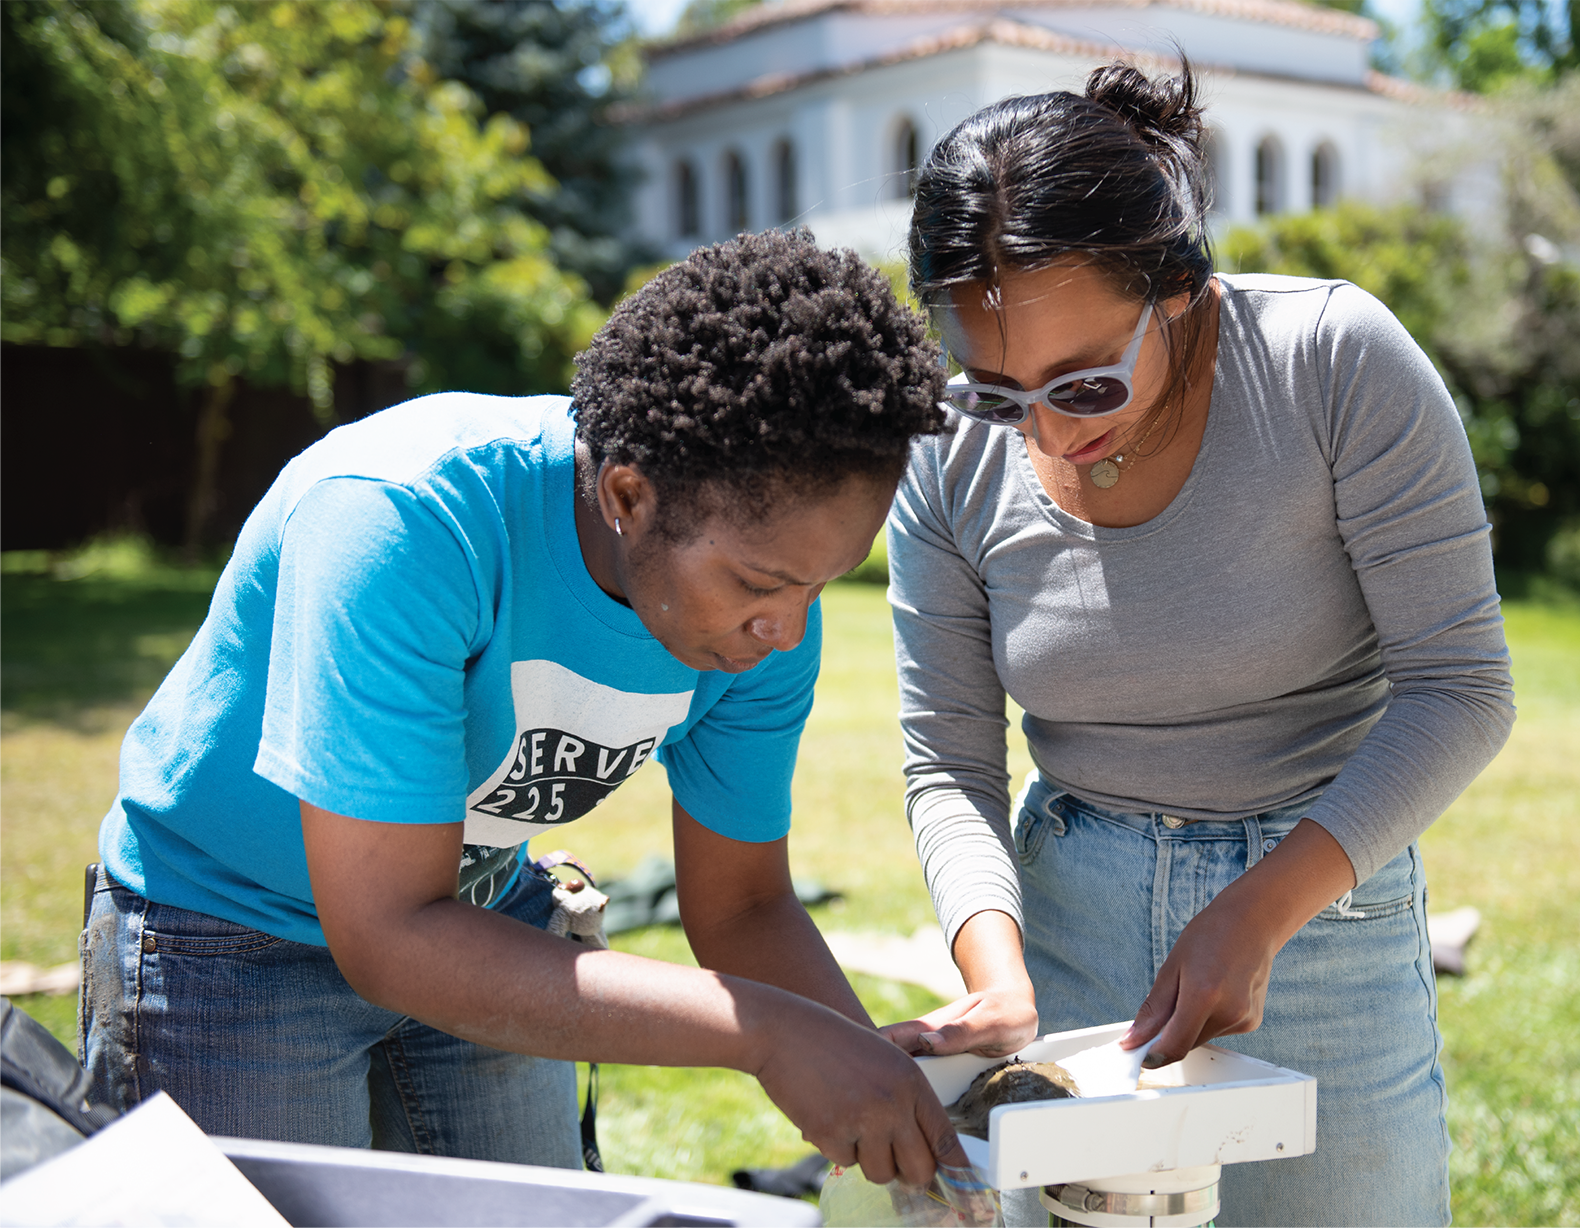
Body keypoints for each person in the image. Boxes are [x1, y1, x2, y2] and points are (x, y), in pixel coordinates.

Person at [82, 229, 967, 1187]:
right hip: (227, 935)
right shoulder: (403, 522)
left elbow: (745, 905)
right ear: (628, 495)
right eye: (762, 584)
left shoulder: (763, 618)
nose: (787, 634)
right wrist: (764, 1033)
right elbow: (389, 933)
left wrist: (874, 1074)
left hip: (480, 914)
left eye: (821, 585)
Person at [877, 64, 1515, 1226]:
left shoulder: (1332, 362)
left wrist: (1262, 909)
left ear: (1177, 286)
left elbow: (1460, 686)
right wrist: (994, 963)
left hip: (1323, 901)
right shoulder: (947, 450)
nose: (1051, 432)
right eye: (997, 392)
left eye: (1085, 381)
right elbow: (948, 757)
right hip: (1071, 907)